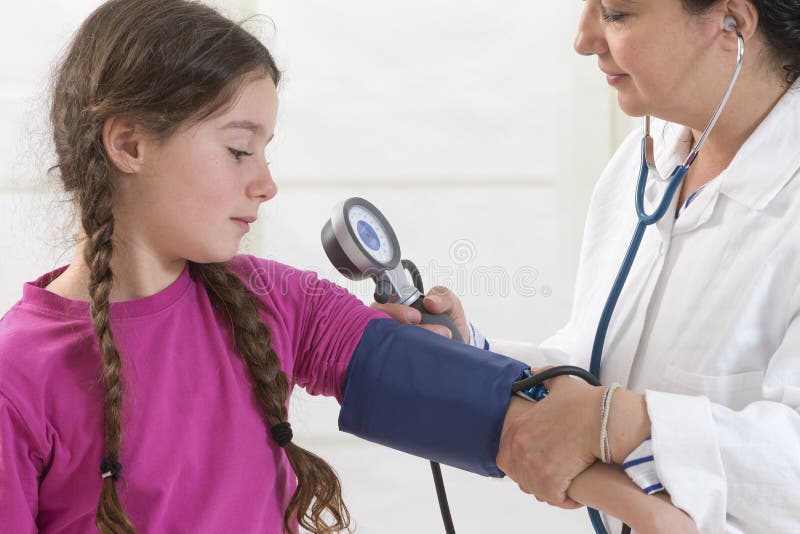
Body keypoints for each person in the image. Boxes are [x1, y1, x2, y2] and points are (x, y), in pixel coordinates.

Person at [0, 1, 701, 533]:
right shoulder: (17, 378)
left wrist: (651, 512)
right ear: (128, 143)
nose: (265, 183)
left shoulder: (272, 299)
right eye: (241, 149)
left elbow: (501, 417)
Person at [377, 0, 800, 532]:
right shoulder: (643, 164)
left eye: (617, 14)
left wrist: (622, 422)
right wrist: (471, 357)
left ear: (731, 22)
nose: (583, 39)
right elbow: (595, 367)